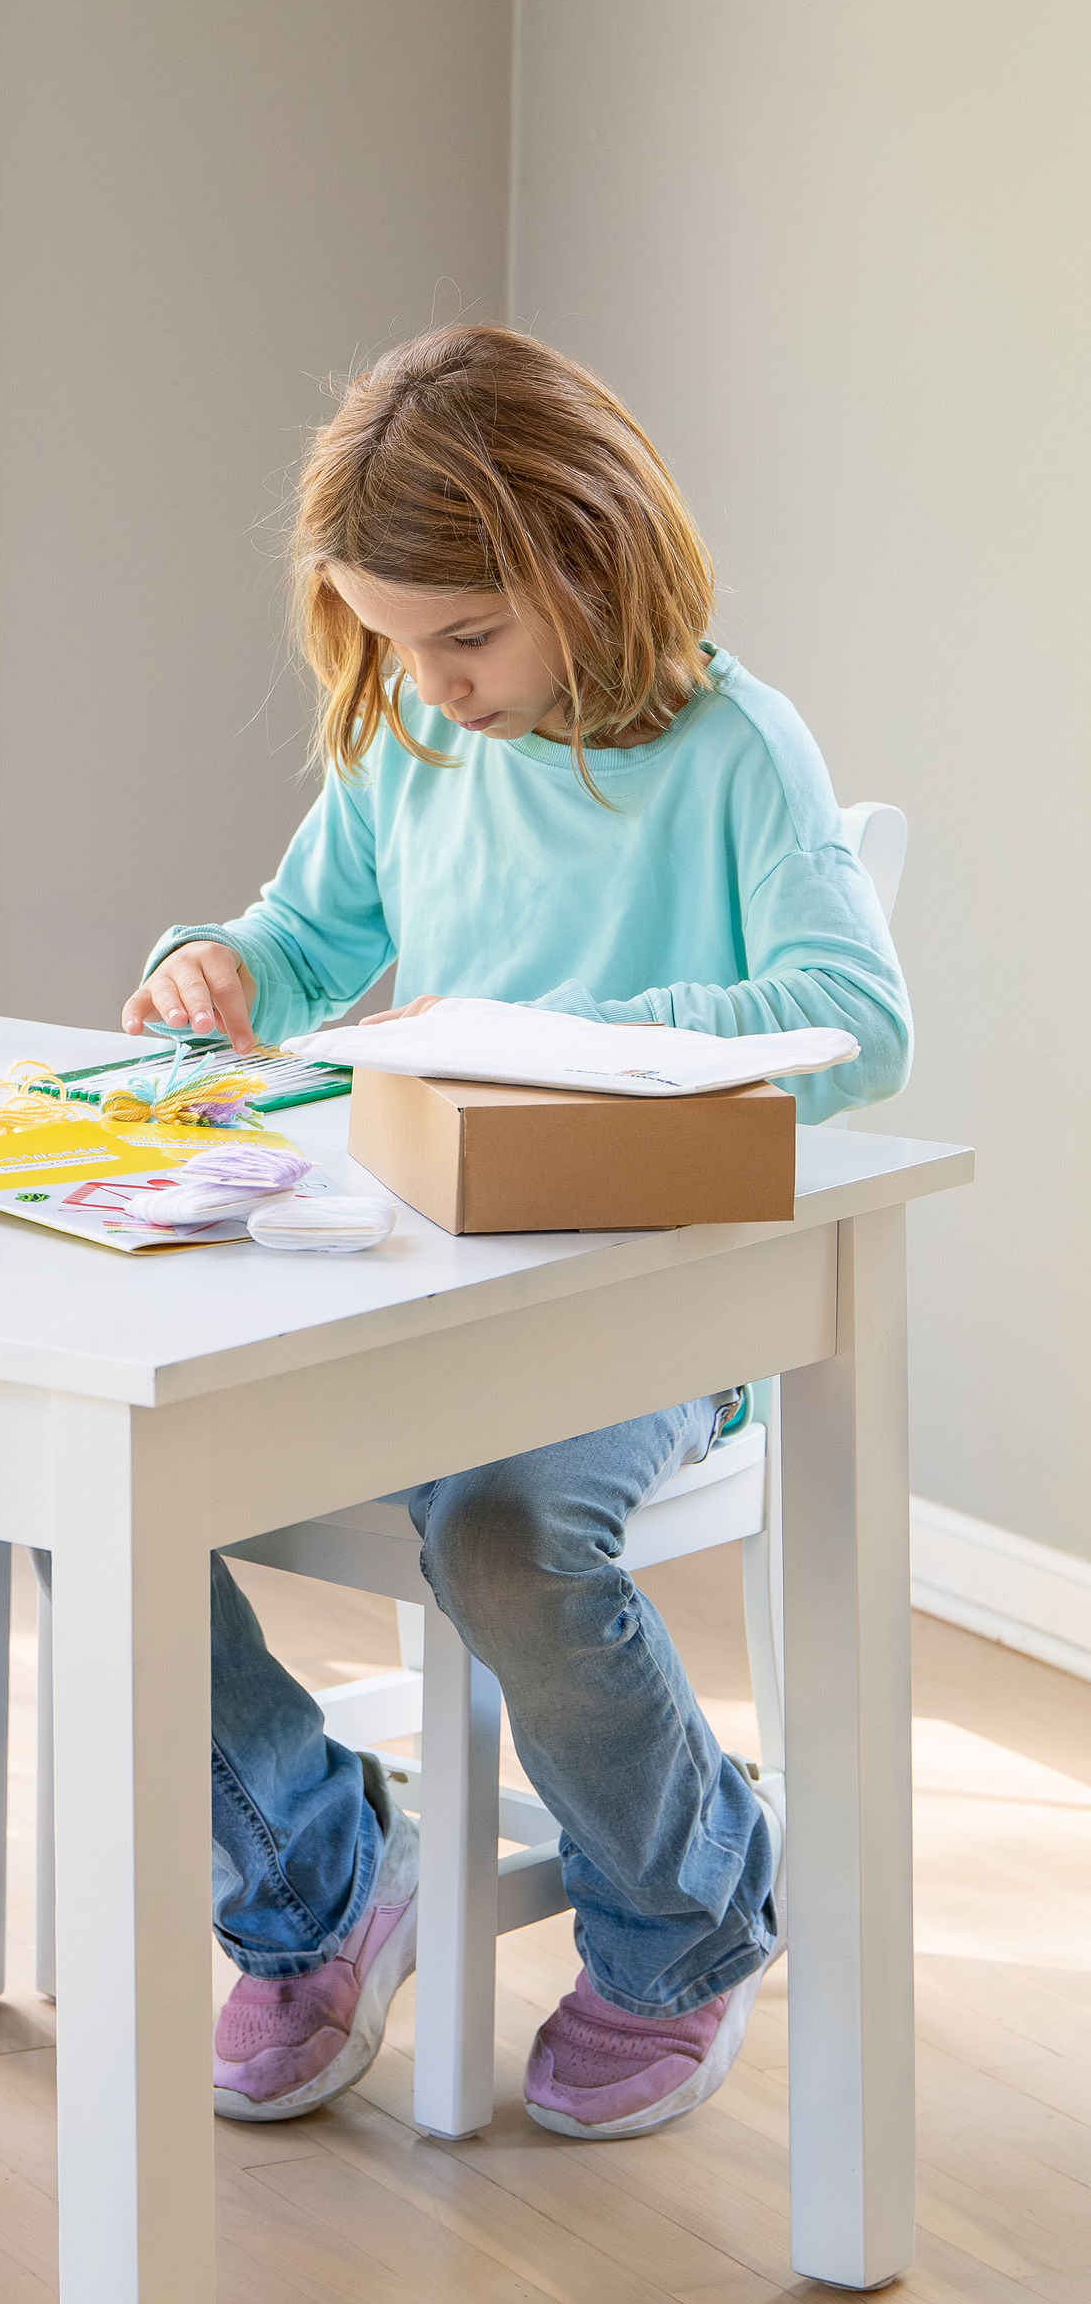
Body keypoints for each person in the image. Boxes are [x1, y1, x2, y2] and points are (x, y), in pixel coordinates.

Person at [125, 324, 910, 2141]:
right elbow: (308, 938)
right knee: (95, 1482)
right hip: (422, 1276)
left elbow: (855, 1024)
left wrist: (569, 1052)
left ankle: (689, 1914)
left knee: (501, 1531)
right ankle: (320, 1878)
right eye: (397, 641)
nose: (435, 683)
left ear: (585, 563)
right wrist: (226, 964)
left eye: (465, 635)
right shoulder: (409, 735)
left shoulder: (732, 750)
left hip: (645, 1309)